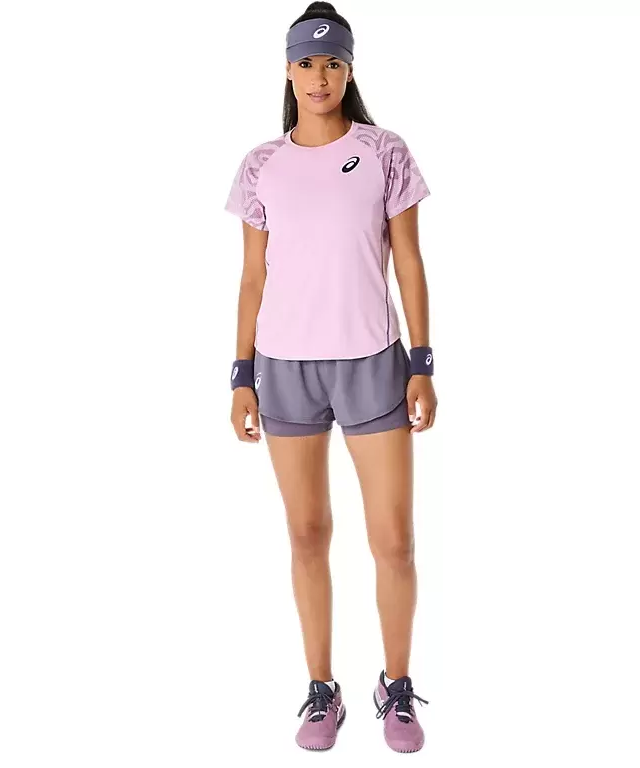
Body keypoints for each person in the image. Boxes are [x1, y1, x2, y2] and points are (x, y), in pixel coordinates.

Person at [224, 2, 436, 754]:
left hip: (373, 362)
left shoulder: (383, 152)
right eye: (307, 63)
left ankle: (396, 686)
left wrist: (422, 361)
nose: (320, 76)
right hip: (284, 368)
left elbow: (407, 259)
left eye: (334, 62)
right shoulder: (262, 165)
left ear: (350, 69)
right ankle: (322, 689)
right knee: (307, 533)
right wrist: (240, 374)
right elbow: (253, 278)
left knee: (393, 540)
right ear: (288, 71)